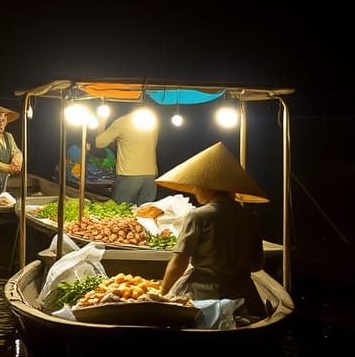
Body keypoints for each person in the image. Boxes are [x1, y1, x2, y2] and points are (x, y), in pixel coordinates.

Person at [155, 142, 268, 319]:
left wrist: (162, 295)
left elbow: (179, 263)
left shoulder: (198, 216)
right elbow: (257, 264)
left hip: (206, 297)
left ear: (208, 187)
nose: (194, 190)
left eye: (196, 185)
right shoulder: (250, 217)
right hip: (246, 297)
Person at [93, 106, 159, 204]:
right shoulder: (152, 123)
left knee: (121, 210)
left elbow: (99, 143)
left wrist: (102, 123)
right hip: (150, 176)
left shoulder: (122, 122)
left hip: (128, 175)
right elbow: (133, 142)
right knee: (145, 211)